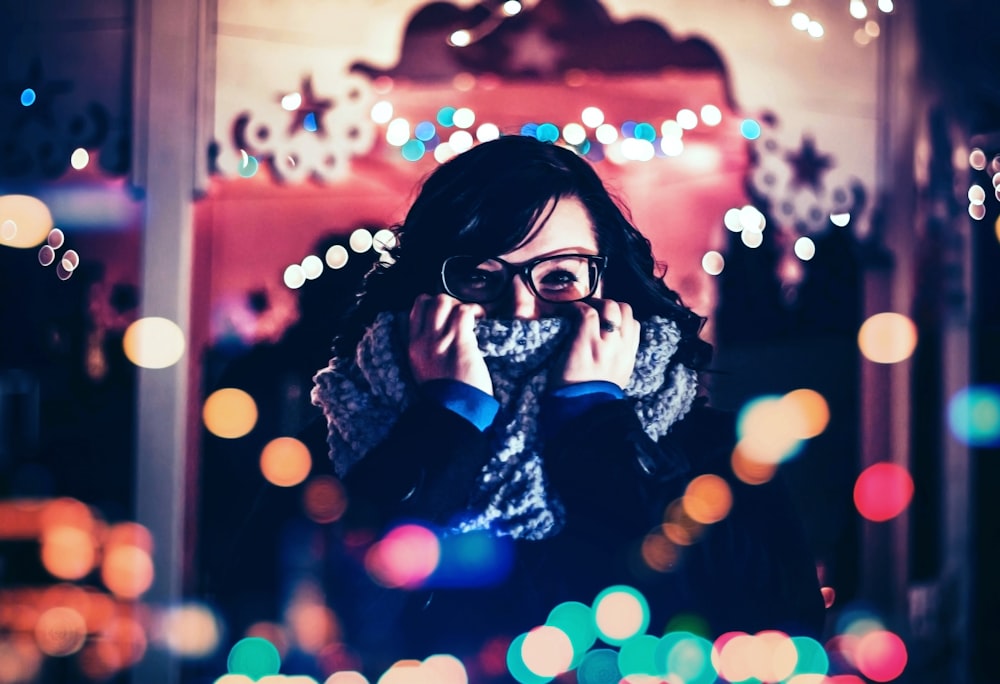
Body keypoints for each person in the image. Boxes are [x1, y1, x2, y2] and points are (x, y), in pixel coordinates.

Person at [311, 135, 826, 681]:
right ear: (423, 291)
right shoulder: (331, 449)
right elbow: (320, 627)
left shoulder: (720, 459)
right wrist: (444, 424)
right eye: (479, 278)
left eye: (559, 276)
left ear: (610, 286)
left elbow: (761, 645)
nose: (521, 309)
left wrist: (595, 425)